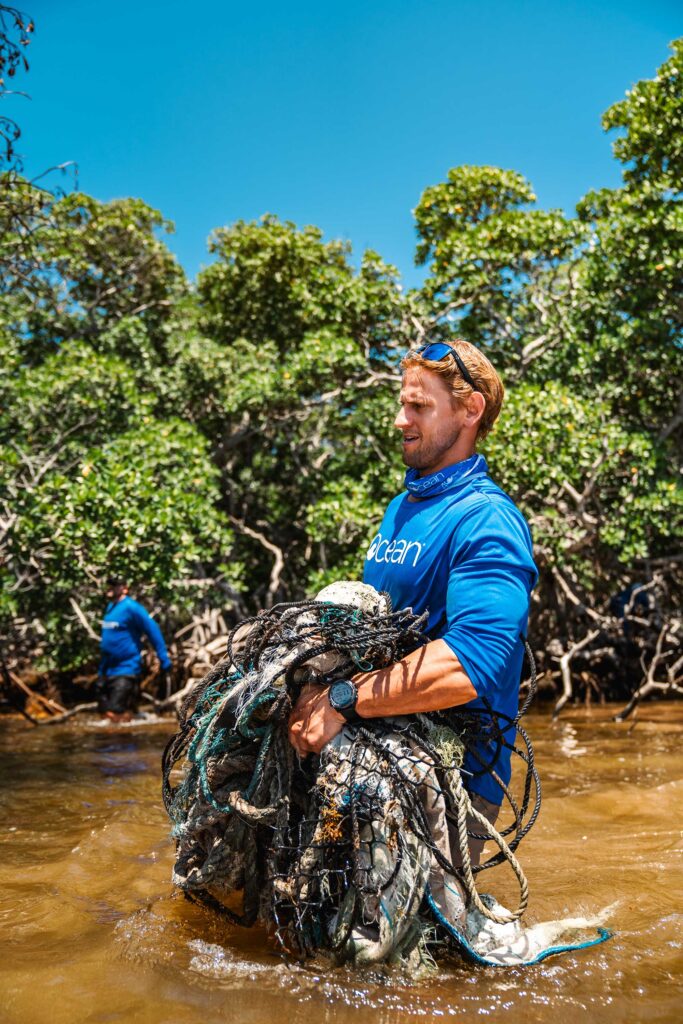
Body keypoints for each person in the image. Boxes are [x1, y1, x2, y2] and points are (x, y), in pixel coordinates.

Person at [288, 338, 538, 868]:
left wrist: (339, 700)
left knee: (383, 950)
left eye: (419, 406)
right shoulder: (400, 508)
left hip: (455, 780)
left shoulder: (486, 518)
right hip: (369, 748)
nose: (401, 420)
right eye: (402, 404)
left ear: (470, 411)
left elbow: (475, 661)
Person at [98, 578, 172, 722]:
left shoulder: (132, 607)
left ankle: (124, 742)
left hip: (127, 669)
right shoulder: (110, 607)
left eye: (114, 585)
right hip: (107, 671)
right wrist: (101, 672)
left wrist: (163, 657)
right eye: (108, 584)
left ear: (124, 588)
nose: (109, 587)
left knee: (115, 714)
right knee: (105, 713)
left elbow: (153, 630)